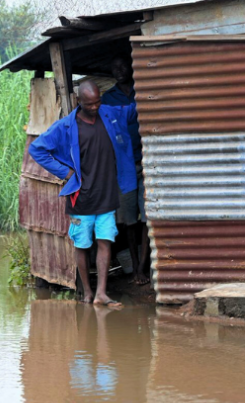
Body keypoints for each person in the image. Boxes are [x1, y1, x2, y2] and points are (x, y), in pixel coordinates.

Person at [29, 80, 138, 307]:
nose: (96, 107)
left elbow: (133, 109)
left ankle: (101, 294)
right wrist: (65, 173)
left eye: (98, 101)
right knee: (82, 245)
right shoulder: (66, 127)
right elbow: (37, 149)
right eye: (90, 104)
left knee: (106, 241)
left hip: (107, 196)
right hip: (82, 198)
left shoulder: (110, 114)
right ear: (80, 102)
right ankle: (87, 292)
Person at [101, 56, 150, 286]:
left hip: (149, 161)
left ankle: (142, 266)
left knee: (147, 218)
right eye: (115, 67)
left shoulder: (143, 89)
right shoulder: (108, 99)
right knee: (130, 220)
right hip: (125, 167)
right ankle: (134, 268)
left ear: (131, 65)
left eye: (122, 65)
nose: (119, 70)